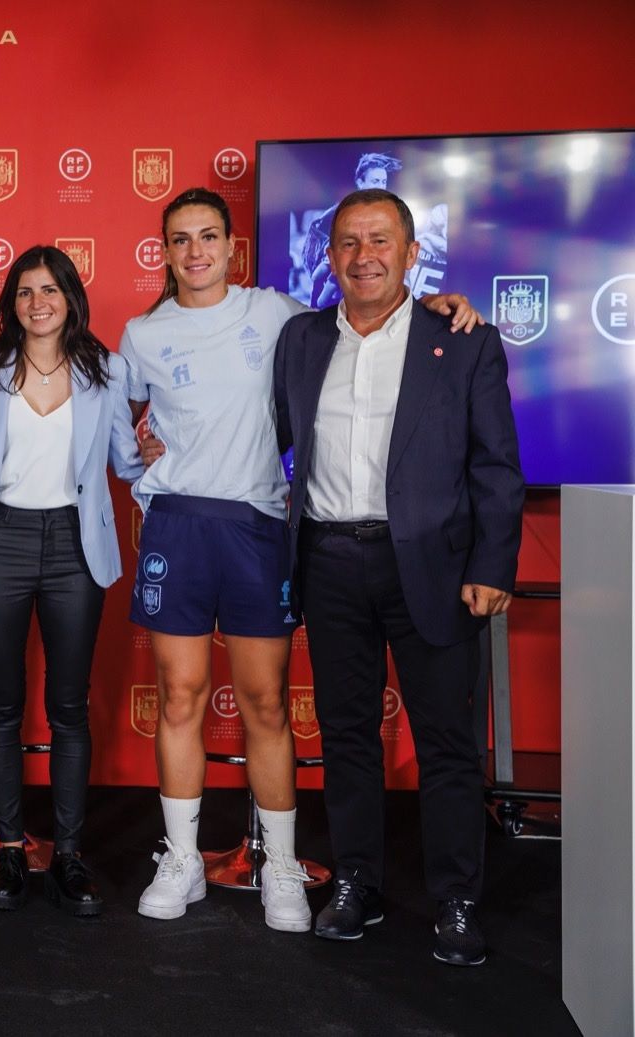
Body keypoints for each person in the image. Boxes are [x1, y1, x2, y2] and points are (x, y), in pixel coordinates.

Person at [121, 187, 479, 933]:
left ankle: (279, 863)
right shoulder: (141, 334)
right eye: (180, 240)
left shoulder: (278, 315)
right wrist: (141, 452)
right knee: (180, 695)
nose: (195, 252)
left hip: (259, 527)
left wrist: (440, 300)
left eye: (208, 236)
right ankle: (182, 857)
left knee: (265, 703)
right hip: (178, 526)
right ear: (164, 251)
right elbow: (119, 423)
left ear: (230, 247)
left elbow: (370, 309)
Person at [275, 188, 523, 966]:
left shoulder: (463, 340)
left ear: (412, 253)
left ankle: (454, 898)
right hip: (329, 561)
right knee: (348, 736)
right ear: (330, 255)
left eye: (380, 239)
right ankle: (357, 883)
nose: (363, 255)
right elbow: (263, 432)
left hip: (437, 568)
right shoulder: (302, 338)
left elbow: (496, 468)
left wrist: (491, 564)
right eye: (347, 242)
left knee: (447, 741)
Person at [0, 246, 143, 915]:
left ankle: (69, 854)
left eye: (49, 290)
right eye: (25, 292)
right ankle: (7, 848)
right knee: (1, 702)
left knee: (68, 707)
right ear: (12, 302)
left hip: (73, 546)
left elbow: (125, 460)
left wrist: (170, 454)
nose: (37, 302)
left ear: (69, 297)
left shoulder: (105, 368)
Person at [303, 153, 403, 307]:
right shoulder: (338, 213)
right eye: (375, 181)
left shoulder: (390, 216)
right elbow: (316, 274)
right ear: (360, 182)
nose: (381, 186)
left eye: (384, 182)